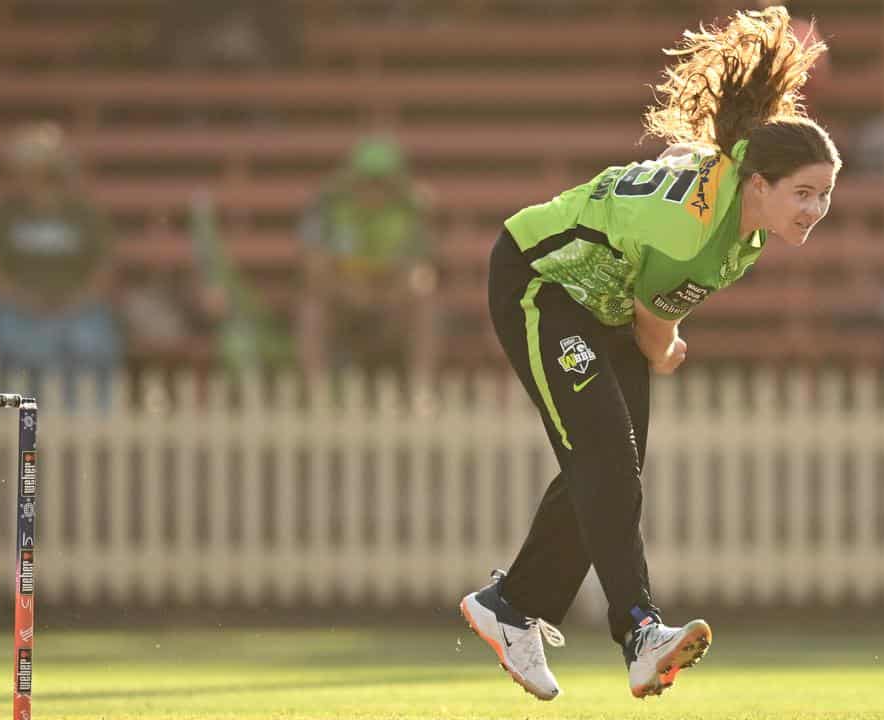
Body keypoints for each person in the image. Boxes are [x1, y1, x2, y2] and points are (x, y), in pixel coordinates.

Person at [460, 6, 839, 701]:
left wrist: (658, 334)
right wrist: (665, 352)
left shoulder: (734, 198)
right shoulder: (702, 241)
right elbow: (652, 326)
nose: (814, 209)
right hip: (540, 285)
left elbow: (675, 180)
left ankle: (512, 606)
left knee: (610, 464)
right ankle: (639, 630)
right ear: (760, 184)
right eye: (803, 193)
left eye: (824, 195)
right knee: (607, 457)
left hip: (605, 301)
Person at [0, 123, 123, 403]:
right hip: (14, 307)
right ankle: (27, 422)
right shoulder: (3, 215)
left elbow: (103, 268)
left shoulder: (85, 214)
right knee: (22, 345)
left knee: (94, 343)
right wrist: (25, 301)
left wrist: (73, 302)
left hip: (79, 307)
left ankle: (93, 424)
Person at [296, 137, 438, 391]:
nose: (373, 189)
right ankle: (316, 394)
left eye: (381, 182)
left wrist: (388, 293)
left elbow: (421, 271)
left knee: (425, 307)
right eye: (367, 180)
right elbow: (313, 267)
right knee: (312, 308)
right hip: (342, 305)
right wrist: (345, 288)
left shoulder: (410, 213)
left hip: (391, 307)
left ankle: (421, 394)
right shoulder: (329, 208)